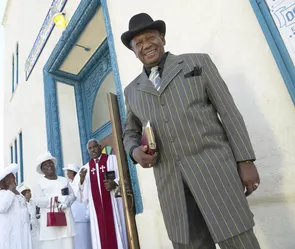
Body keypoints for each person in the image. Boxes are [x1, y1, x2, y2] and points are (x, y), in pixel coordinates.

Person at [121, 12, 261, 249]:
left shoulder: (198, 63)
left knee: (238, 240)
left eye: (150, 37)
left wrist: (245, 160)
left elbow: (228, 112)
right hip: (172, 188)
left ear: (162, 37)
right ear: (134, 51)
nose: (146, 45)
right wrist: (134, 151)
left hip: (216, 173)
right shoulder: (131, 91)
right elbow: (129, 132)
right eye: (139, 43)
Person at [73, 139, 128, 249]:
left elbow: (124, 175)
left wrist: (115, 183)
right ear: (88, 151)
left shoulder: (112, 160)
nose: (93, 150)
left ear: (100, 146)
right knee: (100, 234)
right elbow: (81, 195)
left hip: (113, 204)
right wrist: (82, 179)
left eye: (94, 147)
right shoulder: (86, 168)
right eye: (90, 148)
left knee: (117, 232)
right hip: (96, 210)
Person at [34, 151, 76, 249]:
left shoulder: (63, 180)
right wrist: (56, 200)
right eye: (45, 164)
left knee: (68, 244)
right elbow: (38, 201)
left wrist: (65, 203)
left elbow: (72, 195)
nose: (49, 166)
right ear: (42, 169)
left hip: (65, 217)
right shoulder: (39, 183)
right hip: (50, 221)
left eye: (50, 163)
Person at [0, 163, 32, 249]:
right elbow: (2, 208)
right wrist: (10, 190)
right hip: (10, 233)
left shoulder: (17, 193)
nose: (14, 179)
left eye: (13, 177)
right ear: (3, 181)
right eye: (10, 178)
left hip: (22, 231)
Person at [63, 164, 92, 249]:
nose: (67, 174)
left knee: (84, 240)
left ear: (74, 173)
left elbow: (82, 196)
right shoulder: (69, 184)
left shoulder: (79, 182)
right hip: (73, 216)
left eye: (69, 172)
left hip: (82, 215)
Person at [19, 183, 41, 249]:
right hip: (27, 228)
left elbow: (37, 212)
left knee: (39, 243)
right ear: (23, 195)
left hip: (36, 226)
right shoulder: (21, 204)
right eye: (28, 193)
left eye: (30, 192)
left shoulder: (34, 202)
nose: (30, 194)